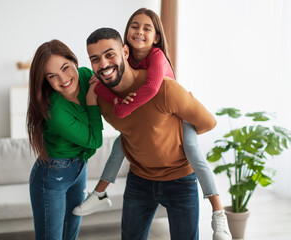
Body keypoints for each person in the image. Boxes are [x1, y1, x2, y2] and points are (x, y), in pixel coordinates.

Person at [73, 8, 231, 240]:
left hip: (180, 179)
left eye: (109, 55)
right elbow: (100, 120)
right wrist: (103, 99)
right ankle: (99, 193)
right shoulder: (101, 92)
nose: (103, 63)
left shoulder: (163, 81)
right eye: (95, 59)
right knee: (121, 143)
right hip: (139, 180)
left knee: (193, 148)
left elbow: (206, 122)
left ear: (124, 52)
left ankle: (218, 212)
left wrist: (177, 137)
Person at [26, 39, 103, 240]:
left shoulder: (87, 76)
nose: (63, 79)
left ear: (74, 61)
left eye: (65, 68)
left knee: (71, 235)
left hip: (79, 168)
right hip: (52, 175)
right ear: (46, 81)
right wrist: (93, 101)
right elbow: (95, 141)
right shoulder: (56, 112)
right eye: (52, 76)